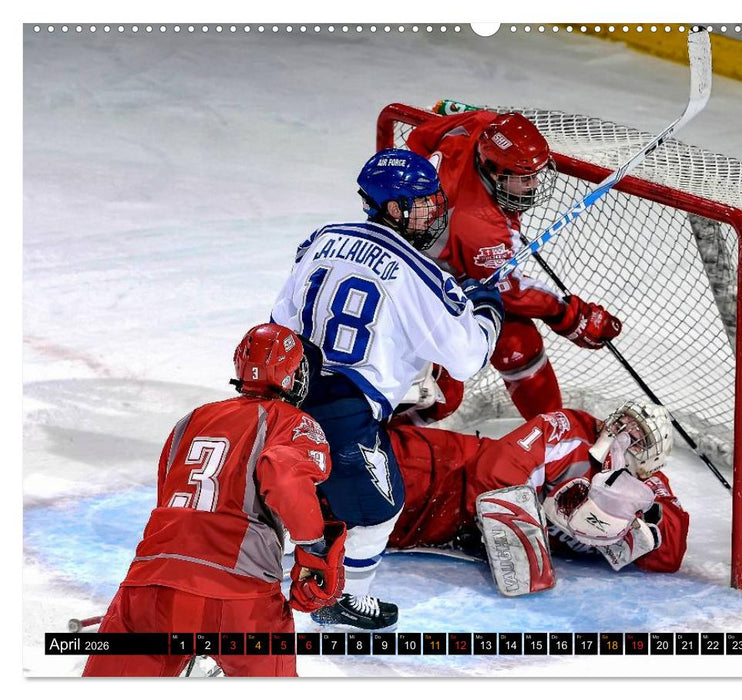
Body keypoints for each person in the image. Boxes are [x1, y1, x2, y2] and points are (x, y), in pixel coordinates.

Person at [269, 148, 502, 630]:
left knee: (274, 491)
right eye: (422, 202)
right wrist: (484, 307)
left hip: (281, 396)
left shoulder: (322, 238)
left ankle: (250, 574)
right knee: (380, 507)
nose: (434, 210)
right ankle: (343, 598)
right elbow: (468, 358)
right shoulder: (422, 274)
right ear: (392, 208)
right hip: (343, 410)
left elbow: (279, 320)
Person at [83, 324, 345, 677]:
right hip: (238, 597)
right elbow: (283, 476)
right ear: (293, 375)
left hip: (150, 585)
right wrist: (314, 548)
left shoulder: (190, 419)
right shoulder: (294, 422)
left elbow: (170, 496)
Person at [406, 108, 623, 421]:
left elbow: (419, 139)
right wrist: (572, 315)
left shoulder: (480, 123)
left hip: (415, 246)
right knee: (450, 387)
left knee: (513, 339)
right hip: (427, 288)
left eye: (535, 175)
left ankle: (549, 435)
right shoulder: (481, 227)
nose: (534, 185)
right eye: (524, 179)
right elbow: (513, 292)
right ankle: (394, 436)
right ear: (494, 172)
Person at [387, 400, 689, 578]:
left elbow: (670, 554)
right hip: (437, 471)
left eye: (640, 436)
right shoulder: (570, 430)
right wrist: (527, 537)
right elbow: (493, 472)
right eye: (625, 421)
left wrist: (633, 525)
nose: (625, 432)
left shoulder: (648, 488)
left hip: (436, 521)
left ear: (650, 464)